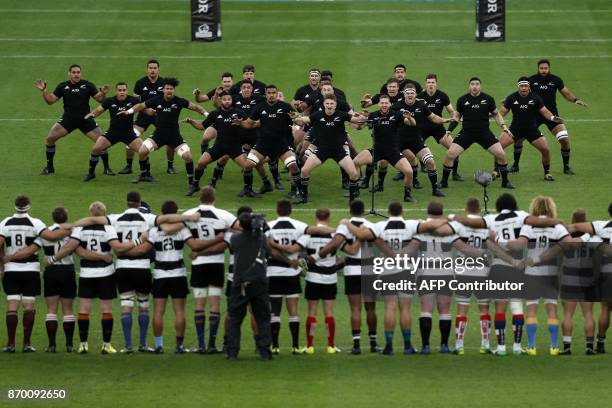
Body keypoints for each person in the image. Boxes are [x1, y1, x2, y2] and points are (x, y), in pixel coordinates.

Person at [451, 193, 562, 356]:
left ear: (498, 206)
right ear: (514, 204)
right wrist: (555, 221)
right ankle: (517, 347)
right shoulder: (522, 216)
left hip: (498, 268)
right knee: (517, 307)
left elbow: (490, 244)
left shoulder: (491, 219)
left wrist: (455, 217)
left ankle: (501, 347)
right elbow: (531, 230)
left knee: (499, 309)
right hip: (518, 268)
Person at [128, 200, 224, 354]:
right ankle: (179, 346)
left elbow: (143, 250)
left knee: (159, 311)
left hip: (160, 274)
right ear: (176, 212)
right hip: (178, 273)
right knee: (179, 311)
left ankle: (159, 346)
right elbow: (194, 245)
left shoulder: (154, 230)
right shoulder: (182, 230)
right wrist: (217, 239)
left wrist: (124, 252)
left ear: (162, 213)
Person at [48, 201, 142, 354]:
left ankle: (83, 344)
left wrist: (52, 259)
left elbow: (77, 251)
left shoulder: (79, 229)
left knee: (84, 310)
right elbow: (118, 248)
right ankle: (106, 345)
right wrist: (137, 241)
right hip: (106, 273)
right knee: (107, 310)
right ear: (104, 214)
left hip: (86, 273)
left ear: (90, 213)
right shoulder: (109, 228)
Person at [0, 196, 72, 353]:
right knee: (28, 306)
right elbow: (50, 238)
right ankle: (26, 344)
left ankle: (11, 344)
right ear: (28, 207)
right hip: (30, 269)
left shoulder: (4, 223)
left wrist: (4, 261)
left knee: (12, 305)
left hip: (11, 269)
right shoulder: (36, 223)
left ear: (15, 206)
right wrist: (73, 229)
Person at [506, 196, 572, 356]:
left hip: (532, 272)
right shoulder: (557, 226)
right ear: (551, 208)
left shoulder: (529, 226)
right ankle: (554, 346)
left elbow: (519, 244)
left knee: (531, 310)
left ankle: (531, 346)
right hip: (550, 273)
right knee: (552, 310)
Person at [319, 200, 380, 354]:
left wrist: (318, 256)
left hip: (352, 270)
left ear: (349, 210)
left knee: (355, 309)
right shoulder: (372, 225)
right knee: (371, 308)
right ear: (364, 210)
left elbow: (336, 244)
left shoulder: (343, 226)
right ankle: (373, 343)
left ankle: (357, 345)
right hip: (370, 269)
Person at [121, 77, 207, 186]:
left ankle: (192, 184)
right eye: (167, 88)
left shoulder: (179, 101)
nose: (169, 91)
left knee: (188, 157)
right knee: (142, 151)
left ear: (174, 90)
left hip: (174, 137)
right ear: (163, 90)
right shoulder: (157, 100)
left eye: (171, 89)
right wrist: (128, 112)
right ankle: (144, 175)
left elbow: (196, 107)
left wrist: (207, 115)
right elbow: (141, 105)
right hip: (158, 136)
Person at [183, 186, 238, 353]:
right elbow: (227, 241)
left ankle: (200, 345)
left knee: (199, 304)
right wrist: (224, 232)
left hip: (198, 265)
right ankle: (212, 344)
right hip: (216, 265)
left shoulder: (188, 215)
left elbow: (184, 236)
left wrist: (197, 251)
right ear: (214, 198)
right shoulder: (224, 215)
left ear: (200, 198)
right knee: (214, 304)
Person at [512, 59, 588, 174]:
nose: (543, 70)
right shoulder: (531, 80)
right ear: (538, 68)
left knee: (565, 140)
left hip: (552, 115)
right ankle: (515, 165)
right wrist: (509, 100)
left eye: (545, 68)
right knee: (518, 139)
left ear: (549, 68)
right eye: (541, 68)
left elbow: (566, 93)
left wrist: (575, 100)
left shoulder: (556, 80)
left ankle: (566, 166)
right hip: (533, 116)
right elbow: (521, 92)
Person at [35, 64, 113, 176]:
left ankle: (107, 168)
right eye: (74, 72)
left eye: (78, 72)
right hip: (68, 119)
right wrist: (44, 90)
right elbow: (50, 101)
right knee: (50, 139)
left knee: (103, 143)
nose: (76, 74)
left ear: (81, 73)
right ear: (69, 74)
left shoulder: (88, 85)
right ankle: (50, 167)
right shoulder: (63, 86)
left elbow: (100, 99)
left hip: (86, 119)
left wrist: (103, 93)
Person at [440, 77, 514, 190]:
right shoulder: (462, 100)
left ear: (480, 86)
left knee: (501, 155)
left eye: (477, 84)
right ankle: (444, 182)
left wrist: (503, 126)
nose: (475, 86)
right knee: (450, 154)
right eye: (472, 84)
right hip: (466, 133)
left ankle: (505, 181)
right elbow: (456, 117)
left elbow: (496, 114)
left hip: (484, 133)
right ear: (469, 86)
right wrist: (449, 130)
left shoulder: (488, 99)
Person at [290, 95, 366, 203]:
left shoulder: (342, 115)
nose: (329, 106)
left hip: (338, 150)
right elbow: (302, 121)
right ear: (324, 104)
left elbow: (358, 121)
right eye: (327, 103)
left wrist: (364, 117)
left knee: (353, 173)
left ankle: (352, 199)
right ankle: (304, 197)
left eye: (331, 104)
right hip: (322, 150)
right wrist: (295, 118)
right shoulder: (317, 115)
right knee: (304, 170)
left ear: (335, 105)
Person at [185, 92, 261, 197]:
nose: (227, 101)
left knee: (247, 166)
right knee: (201, 163)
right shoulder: (214, 114)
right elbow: (202, 126)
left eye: (229, 99)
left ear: (231, 101)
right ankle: (195, 185)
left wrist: (256, 123)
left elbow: (249, 124)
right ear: (220, 101)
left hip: (234, 147)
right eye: (224, 99)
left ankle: (248, 189)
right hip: (219, 146)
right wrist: (192, 122)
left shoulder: (239, 113)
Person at [234, 84, 303, 198]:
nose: (271, 95)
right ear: (265, 94)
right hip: (263, 143)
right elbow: (249, 123)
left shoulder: (285, 106)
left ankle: (299, 191)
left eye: (273, 93)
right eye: (269, 93)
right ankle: (249, 189)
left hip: (282, 143)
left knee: (293, 166)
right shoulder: (259, 107)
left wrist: (296, 118)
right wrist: (240, 122)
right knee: (248, 165)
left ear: (277, 94)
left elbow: (299, 122)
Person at [226, 212, 277, 361]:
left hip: (240, 281)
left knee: (235, 318)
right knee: (262, 317)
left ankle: (232, 352)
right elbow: (268, 252)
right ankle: (265, 351)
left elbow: (232, 249)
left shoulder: (235, 238)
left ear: (241, 225)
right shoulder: (261, 238)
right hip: (259, 280)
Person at [265, 200, 309, 354]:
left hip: (273, 272)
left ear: (277, 210)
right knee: (293, 311)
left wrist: (275, 245)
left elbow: (269, 251)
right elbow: (295, 249)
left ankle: (275, 346)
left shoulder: (268, 227)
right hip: (292, 273)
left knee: (274, 311)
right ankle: (295, 346)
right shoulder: (301, 226)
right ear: (290, 210)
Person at [353, 95, 417, 202]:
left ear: (390, 104)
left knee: (409, 172)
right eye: (382, 103)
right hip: (377, 150)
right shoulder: (373, 115)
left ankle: (407, 195)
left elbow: (412, 124)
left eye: (386, 103)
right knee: (355, 162)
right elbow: (360, 127)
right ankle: (355, 189)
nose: (384, 105)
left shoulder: (397, 115)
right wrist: (358, 119)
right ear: (378, 104)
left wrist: (409, 117)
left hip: (392, 151)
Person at [497, 77, 563, 181]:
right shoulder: (511, 98)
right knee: (497, 148)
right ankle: (496, 171)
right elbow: (501, 113)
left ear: (529, 87)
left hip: (532, 130)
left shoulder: (536, 98)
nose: (524, 88)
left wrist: (553, 118)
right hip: (515, 129)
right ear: (518, 87)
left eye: (526, 86)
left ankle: (547, 173)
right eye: (521, 86)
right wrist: (495, 119)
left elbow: (545, 111)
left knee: (545, 150)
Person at [567, 202, 612, 353]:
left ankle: (600, 342)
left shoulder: (601, 226)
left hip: (606, 274)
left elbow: (577, 228)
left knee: (605, 308)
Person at [121, 59, 175, 175]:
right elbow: (136, 102)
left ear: (158, 70)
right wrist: (146, 110)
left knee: (171, 139)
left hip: (160, 116)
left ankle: (170, 166)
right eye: (150, 68)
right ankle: (128, 166)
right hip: (144, 115)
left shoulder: (164, 84)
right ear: (147, 70)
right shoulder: (140, 83)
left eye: (155, 68)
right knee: (131, 137)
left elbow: (170, 100)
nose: (152, 70)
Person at [391, 85, 448, 197]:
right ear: (404, 94)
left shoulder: (421, 105)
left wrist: (445, 120)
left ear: (415, 94)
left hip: (417, 140)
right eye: (407, 93)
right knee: (411, 158)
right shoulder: (397, 106)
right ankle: (414, 181)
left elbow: (433, 117)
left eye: (412, 93)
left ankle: (435, 189)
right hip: (401, 141)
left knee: (430, 162)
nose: (410, 95)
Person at [82, 82, 142, 181]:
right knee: (96, 149)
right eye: (120, 90)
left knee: (143, 151)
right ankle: (91, 173)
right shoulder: (109, 101)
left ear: (127, 91)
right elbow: (98, 110)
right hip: (112, 133)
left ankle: (146, 174)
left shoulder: (133, 100)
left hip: (129, 134)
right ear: (116, 91)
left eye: (124, 90)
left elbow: (143, 108)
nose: (122, 92)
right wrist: (92, 114)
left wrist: (152, 112)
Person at [559, 209, 598, 355]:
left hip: (569, 276)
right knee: (588, 314)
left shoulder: (564, 235)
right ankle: (589, 346)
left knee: (568, 314)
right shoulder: (592, 236)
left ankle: (567, 346)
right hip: (587, 277)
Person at [418, 74, 462, 181]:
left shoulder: (442, 96)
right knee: (415, 147)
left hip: (438, 128)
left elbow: (451, 111)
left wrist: (455, 119)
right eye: (428, 82)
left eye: (433, 82)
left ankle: (455, 173)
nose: (431, 84)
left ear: (436, 84)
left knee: (454, 149)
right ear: (426, 84)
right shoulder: (420, 96)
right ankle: (422, 166)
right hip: (422, 128)